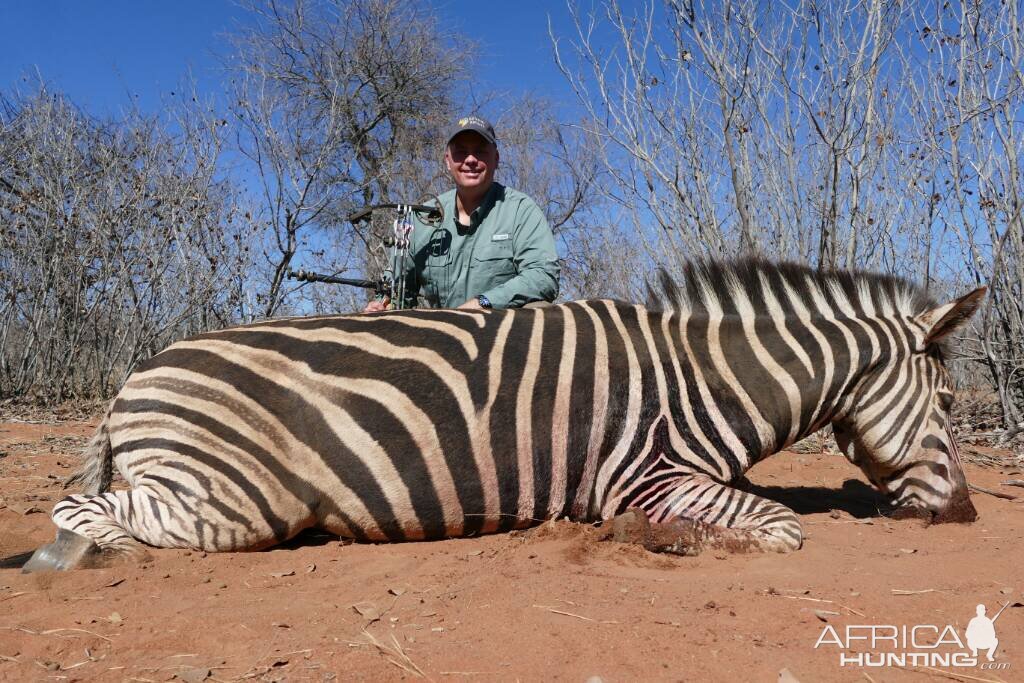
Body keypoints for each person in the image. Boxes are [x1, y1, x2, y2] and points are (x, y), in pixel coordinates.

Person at [364, 115, 559, 312]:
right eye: (461, 152)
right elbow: (398, 290)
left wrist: (482, 303)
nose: (471, 160)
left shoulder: (520, 210)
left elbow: (543, 277)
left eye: (480, 151)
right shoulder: (421, 218)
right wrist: (384, 304)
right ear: (448, 161)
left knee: (541, 309)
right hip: (443, 334)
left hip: (501, 332)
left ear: (496, 159)